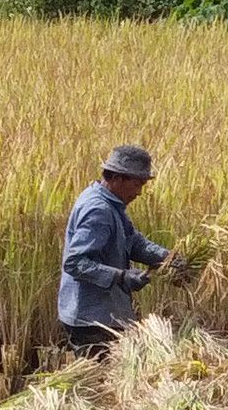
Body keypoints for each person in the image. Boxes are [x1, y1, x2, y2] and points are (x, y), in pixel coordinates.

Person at [59, 143, 171, 355]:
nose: (139, 193)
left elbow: (134, 242)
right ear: (118, 178)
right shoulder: (98, 210)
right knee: (102, 382)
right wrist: (121, 277)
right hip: (92, 320)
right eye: (137, 185)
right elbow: (75, 263)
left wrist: (167, 258)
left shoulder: (111, 203)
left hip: (102, 314)